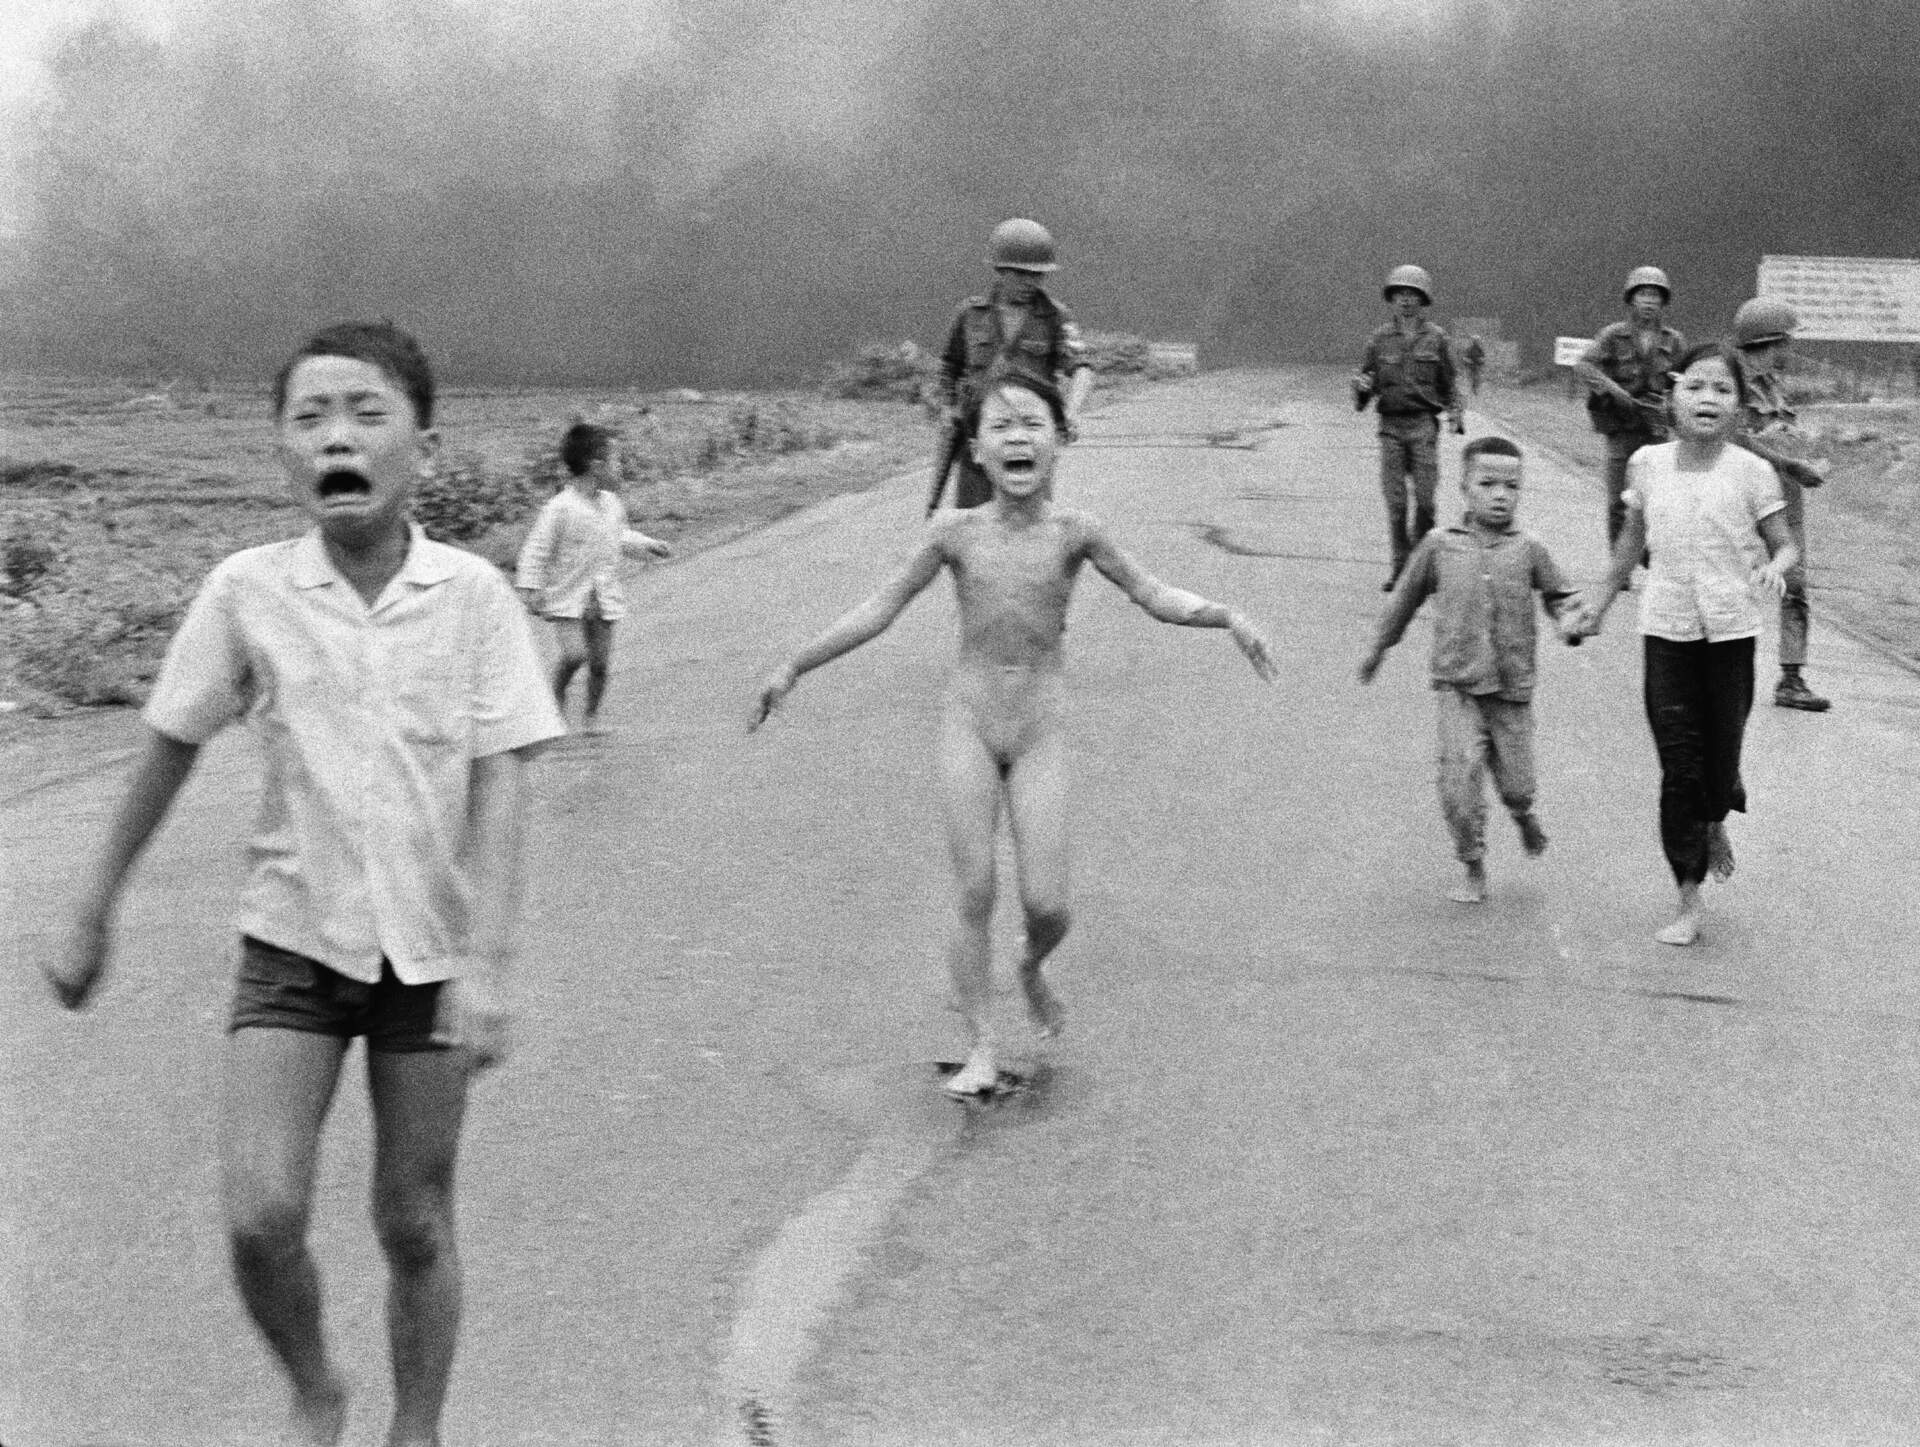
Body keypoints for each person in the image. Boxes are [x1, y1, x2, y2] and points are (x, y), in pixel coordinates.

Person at [42, 321, 566, 1446]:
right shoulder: (246, 590)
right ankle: (317, 1384)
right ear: (281, 448)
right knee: (259, 1215)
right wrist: (93, 902)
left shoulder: (473, 595)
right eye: (311, 416)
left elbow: (506, 782)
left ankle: (415, 1428)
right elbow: (170, 743)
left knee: (414, 1221)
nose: (338, 436)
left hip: (427, 954)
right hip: (293, 942)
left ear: (425, 442)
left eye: (367, 413)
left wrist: (492, 963)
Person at [753, 375, 1275, 1097]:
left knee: (1049, 905)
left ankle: (1030, 966)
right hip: (968, 722)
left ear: (1059, 443)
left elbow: (1152, 592)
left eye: (1033, 422)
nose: (1018, 434)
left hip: (1039, 730)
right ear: (977, 449)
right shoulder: (954, 533)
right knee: (974, 889)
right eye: (1000, 425)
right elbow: (881, 606)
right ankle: (980, 1043)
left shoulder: (1078, 532)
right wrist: (795, 665)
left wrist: (1226, 616)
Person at [1566, 343, 1798, 947]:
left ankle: (1716, 813)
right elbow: (1628, 548)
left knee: (1719, 765)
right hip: (1666, 629)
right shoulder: (1647, 464)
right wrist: (1598, 602)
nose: (1707, 399)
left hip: (1730, 633)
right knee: (1678, 766)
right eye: (1696, 386)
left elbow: (1785, 542)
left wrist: (1778, 565)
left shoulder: (1753, 472)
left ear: (1740, 408)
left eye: (1723, 390)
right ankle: (1687, 892)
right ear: (1672, 396)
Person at [1359, 436, 1576, 903]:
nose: (1501, 494)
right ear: (1464, 486)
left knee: (1518, 784)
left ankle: (1522, 815)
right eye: (1488, 483)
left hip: (1512, 689)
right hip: (1457, 685)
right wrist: (1378, 648)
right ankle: (1473, 863)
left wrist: (1571, 621)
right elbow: (1403, 601)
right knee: (1459, 780)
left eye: (1512, 486)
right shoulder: (1439, 546)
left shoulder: (1530, 548)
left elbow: (1561, 596)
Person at [516, 420, 673, 734]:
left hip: (603, 597)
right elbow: (536, 548)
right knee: (575, 655)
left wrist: (648, 545)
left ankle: (591, 718)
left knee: (599, 664)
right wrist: (530, 586)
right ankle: (554, 697)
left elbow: (619, 536)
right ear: (596, 466)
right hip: (569, 597)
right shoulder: (560, 508)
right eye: (616, 461)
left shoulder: (612, 505)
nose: (621, 467)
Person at [931, 218, 1094, 512]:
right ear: (1000, 270)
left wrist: (1070, 412)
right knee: (972, 523)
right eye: (1021, 274)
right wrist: (947, 409)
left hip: (1030, 441)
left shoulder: (1056, 317)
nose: (1030, 282)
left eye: (1038, 275)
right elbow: (948, 369)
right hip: (980, 440)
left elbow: (1081, 368)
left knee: (1029, 522)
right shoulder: (970, 316)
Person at [1730, 297, 1830, 712]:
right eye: (1786, 340)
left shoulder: (1774, 384)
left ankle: (1791, 678)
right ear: (1770, 340)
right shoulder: (1731, 383)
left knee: (1796, 585)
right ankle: (1720, 673)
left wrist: (1805, 462)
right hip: (1745, 498)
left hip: (1786, 497)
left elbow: (1780, 435)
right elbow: (1737, 439)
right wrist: (1790, 463)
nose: (1790, 348)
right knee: (1734, 583)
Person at [1351, 264, 1466, 590]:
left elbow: (1450, 384)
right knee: (1397, 503)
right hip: (1391, 427)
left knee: (1427, 503)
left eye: (1412, 294)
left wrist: (1456, 413)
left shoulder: (1437, 338)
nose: (1405, 300)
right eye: (1400, 294)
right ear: (1391, 299)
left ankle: (1421, 566)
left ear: (1423, 299)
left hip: (1423, 426)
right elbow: (1365, 388)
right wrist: (1360, 389)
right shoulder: (1379, 340)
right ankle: (1401, 569)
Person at [1574, 266, 1687, 552]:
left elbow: (1686, 381)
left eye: (1655, 295)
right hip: (1621, 428)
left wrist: (1671, 404)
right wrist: (1615, 391)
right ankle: (1618, 561)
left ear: (1663, 302)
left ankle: (1649, 555)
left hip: (1655, 429)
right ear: (1631, 299)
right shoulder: (1613, 336)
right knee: (1617, 500)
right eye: (1643, 294)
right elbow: (1585, 366)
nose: (1649, 301)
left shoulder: (1674, 341)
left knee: (1654, 497)